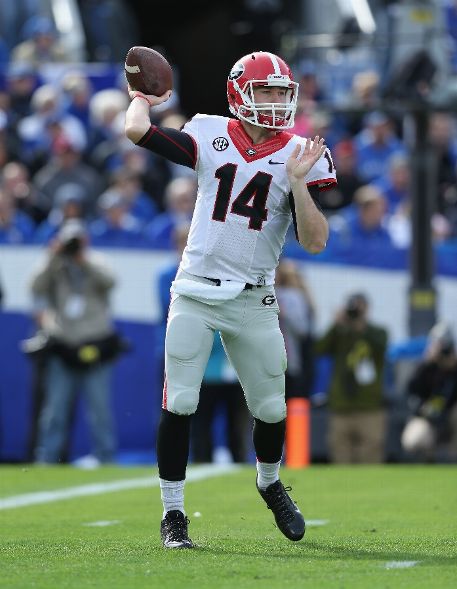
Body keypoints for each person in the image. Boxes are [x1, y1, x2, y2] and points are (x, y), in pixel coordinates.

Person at [125, 50, 336, 548]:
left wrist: (300, 184)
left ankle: (268, 481)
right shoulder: (209, 132)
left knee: (271, 409)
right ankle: (173, 514)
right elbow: (138, 131)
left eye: (282, 93)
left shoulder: (300, 152)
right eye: (265, 91)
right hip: (196, 290)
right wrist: (140, 97)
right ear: (240, 92)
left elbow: (315, 241)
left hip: (253, 295)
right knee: (179, 402)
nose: (275, 102)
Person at [29, 219, 120, 465]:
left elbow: (111, 282)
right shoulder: (55, 264)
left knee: (99, 410)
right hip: (63, 345)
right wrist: (52, 256)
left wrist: (84, 261)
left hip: (95, 345)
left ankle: (106, 458)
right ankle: (47, 458)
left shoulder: (96, 261)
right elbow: (34, 287)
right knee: (55, 410)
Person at [314, 292, 388, 464]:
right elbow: (319, 349)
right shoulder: (339, 333)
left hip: (370, 406)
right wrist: (336, 324)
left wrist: (361, 327)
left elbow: (382, 346)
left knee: (370, 456)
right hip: (341, 407)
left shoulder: (377, 332)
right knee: (340, 456)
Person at [401, 322, 457, 461]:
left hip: (450, 416)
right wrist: (427, 363)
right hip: (427, 416)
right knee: (413, 441)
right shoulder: (425, 367)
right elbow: (410, 390)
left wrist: (452, 368)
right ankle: (428, 459)